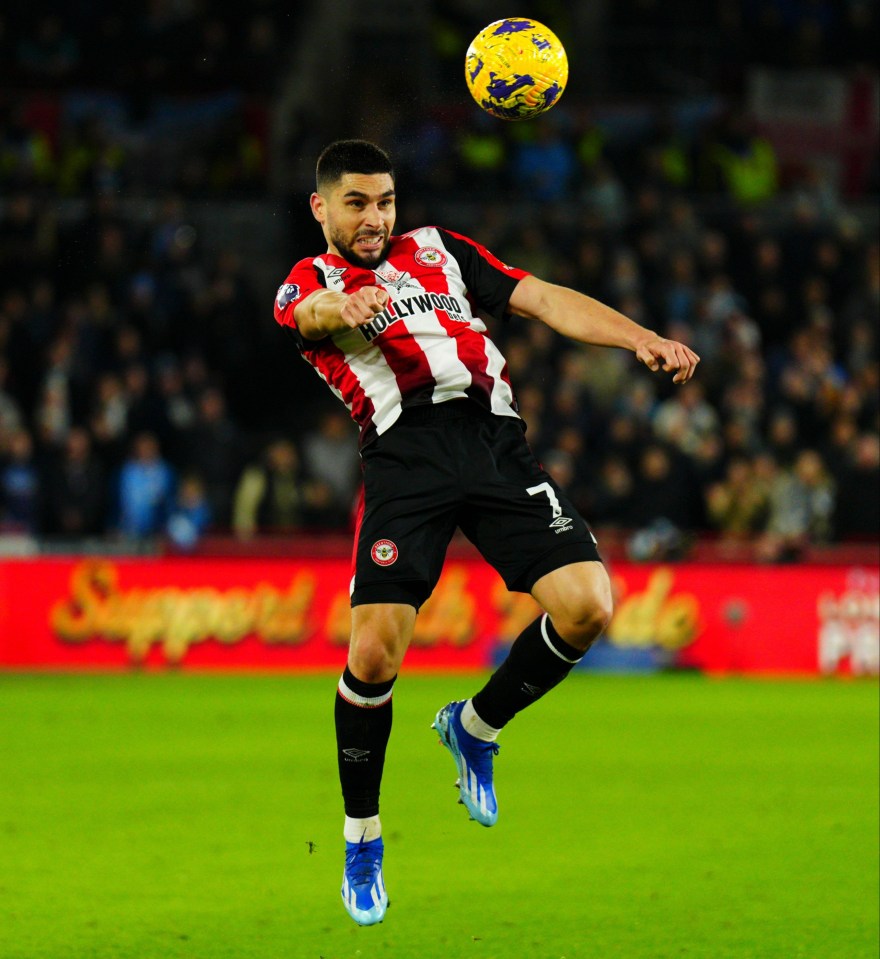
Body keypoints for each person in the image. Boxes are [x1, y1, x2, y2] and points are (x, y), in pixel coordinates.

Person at [273, 140, 700, 926]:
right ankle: (362, 836)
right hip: (405, 459)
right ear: (322, 208)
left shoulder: (441, 250)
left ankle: (474, 725)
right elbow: (307, 316)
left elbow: (541, 297)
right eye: (359, 203)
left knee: (587, 605)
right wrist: (346, 307)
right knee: (371, 653)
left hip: (497, 445)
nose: (376, 218)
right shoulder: (311, 281)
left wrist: (637, 336)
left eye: (386, 200)